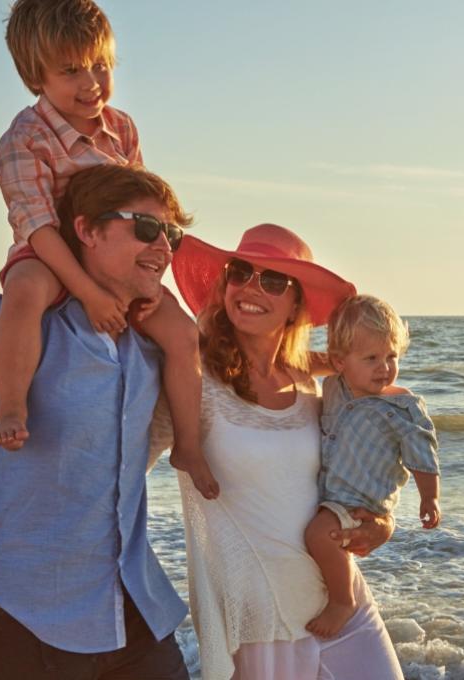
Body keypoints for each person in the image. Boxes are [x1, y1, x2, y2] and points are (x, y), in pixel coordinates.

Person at [0, 164, 192, 679]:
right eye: (145, 228)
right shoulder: (8, 323)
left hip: (135, 612)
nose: (163, 248)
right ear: (85, 230)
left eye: (172, 234)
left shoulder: (151, 344)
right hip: (21, 616)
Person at [158, 224, 405, 680]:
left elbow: (359, 465)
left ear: (296, 305)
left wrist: (382, 520)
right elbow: (124, 461)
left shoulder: (313, 387)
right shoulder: (192, 378)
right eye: (241, 273)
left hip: (341, 601)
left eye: (273, 281)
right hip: (263, 618)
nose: (251, 288)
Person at [0, 0, 216, 498]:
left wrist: (149, 285)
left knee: (181, 333)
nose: (91, 82)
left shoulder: (123, 128)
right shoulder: (23, 138)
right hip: (54, 253)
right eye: (71, 71)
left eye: (101, 65)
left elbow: (146, 209)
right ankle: (12, 406)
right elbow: (38, 226)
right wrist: (89, 293)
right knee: (24, 291)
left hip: (115, 256)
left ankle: (188, 444)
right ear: (36, 75)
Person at [305, 294, 442, 638]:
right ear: (339, 362)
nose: (384, 367)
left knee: (318, 535)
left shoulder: (401, 407)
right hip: (331, 493)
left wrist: (430, 498)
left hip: (361, 500)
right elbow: (296, 362)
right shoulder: (334, 385)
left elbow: (422, 455)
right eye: (371, 358)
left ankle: (343, 600)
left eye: (391, 356)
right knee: (321, 535)